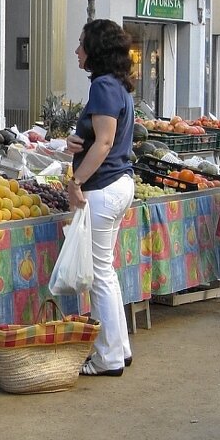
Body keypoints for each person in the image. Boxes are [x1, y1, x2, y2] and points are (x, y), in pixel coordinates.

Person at [65, 19, 137, 377]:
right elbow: (100, 139)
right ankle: (119, 350)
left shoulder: (104, 87)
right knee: (105, 271)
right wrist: (76, 143)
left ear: (95, 50)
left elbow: (106, 143)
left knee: (100, 276)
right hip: (117, 184)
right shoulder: (116, 87)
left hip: (104, 187)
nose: (77, 51)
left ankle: (108, 359)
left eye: (81, 44)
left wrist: (75, 181)